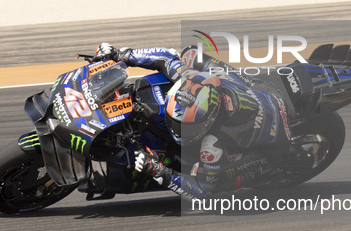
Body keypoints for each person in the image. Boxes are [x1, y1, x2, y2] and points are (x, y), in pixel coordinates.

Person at [93, 43, 293, 200]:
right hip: (263, 90)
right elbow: (166, 57)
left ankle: (261, 170)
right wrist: (121, 54)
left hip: (276, 141)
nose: (177, 131)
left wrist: (159, 170)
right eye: (176, 122)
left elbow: (201, 193)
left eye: (186, 127)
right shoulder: (189, 77)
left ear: (208, 122)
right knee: (190, 54)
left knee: (216, 180)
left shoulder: (213, 146)